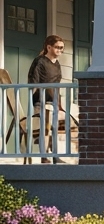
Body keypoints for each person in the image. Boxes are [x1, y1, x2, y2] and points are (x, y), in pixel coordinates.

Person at [27, 35, 65, 163]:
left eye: (62, 48)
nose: (60, 50)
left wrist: (59, 104)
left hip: (53, 102)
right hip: (41, 101)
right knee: (46, 127)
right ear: (49, 47)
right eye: (57, 47)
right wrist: (33, 103)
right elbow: (34, 82)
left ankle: (54, 156)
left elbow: (57, 85)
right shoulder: (40, 61)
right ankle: (44, 156)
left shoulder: (57, 64)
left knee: (55, 127)